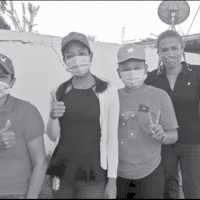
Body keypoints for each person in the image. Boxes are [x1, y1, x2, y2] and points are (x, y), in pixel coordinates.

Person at [46, 32, 119, 199]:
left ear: (90, 55)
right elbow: (52, 136)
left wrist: (112, 181)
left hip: (93, 173)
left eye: (81, 53)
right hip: (61, 170)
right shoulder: (57, 90)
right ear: (64, 61)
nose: (76, 59)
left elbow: (111, 139)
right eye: (69, 56)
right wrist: (52, 116)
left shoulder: (108, 91)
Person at [116, 43, 178, 199]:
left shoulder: (159, 96)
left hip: (149, 173)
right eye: (126, 69)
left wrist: (162, 136)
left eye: (137, 67)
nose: (132, 72)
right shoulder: (112, 98)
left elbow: (173, 135)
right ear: (118, 72)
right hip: (118, 174)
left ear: (145, 68)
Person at [145, 30, 200, 199]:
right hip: (164, 142)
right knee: (168, 188)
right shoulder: (151, 78)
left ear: (182, 48)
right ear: (158, 53)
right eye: (165, 50)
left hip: (193, 143)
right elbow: (144, 108)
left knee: (193, 188)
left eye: (174, 48)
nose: (170, 54)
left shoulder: (197, 73)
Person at [0, 53, 47, 199]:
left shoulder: (26, 111)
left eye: (2, 76)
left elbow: (40, 162)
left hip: (13, 193)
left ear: (12, 82)